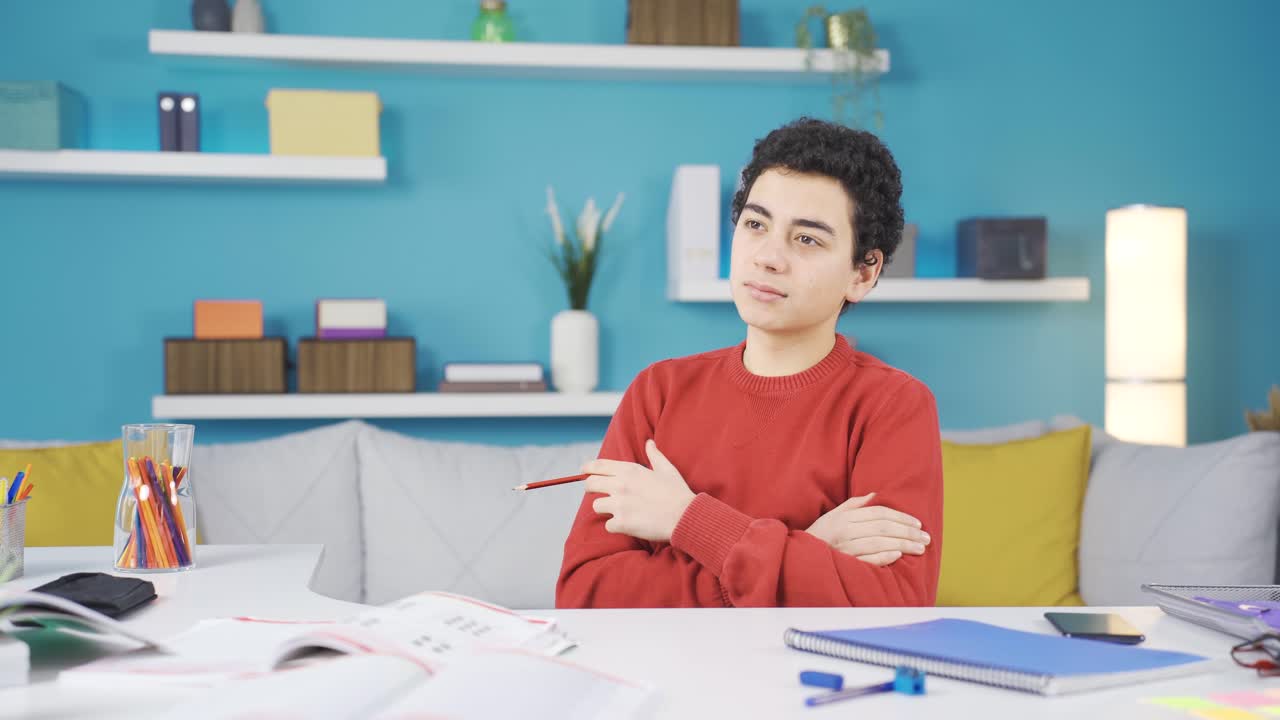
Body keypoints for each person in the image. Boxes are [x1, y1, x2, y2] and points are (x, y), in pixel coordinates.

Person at [556, 118, 942, 608]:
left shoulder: (894, 406)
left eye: (807, 239)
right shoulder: (658, 391)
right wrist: (810, 549)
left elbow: (892, 604)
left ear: (863, 274)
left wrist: (686, 521)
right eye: (756, 225)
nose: (768, 257)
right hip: (665, 675)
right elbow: (586, 597)